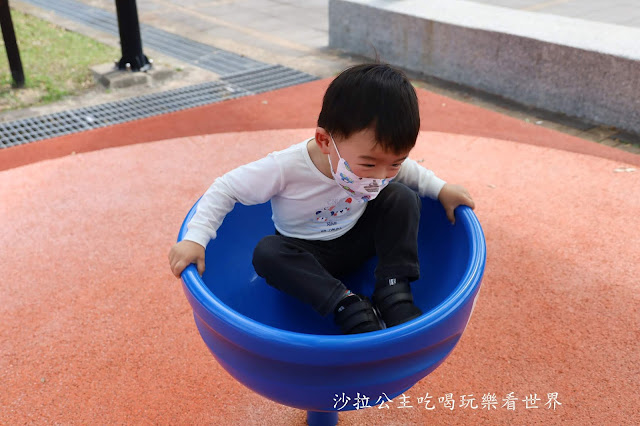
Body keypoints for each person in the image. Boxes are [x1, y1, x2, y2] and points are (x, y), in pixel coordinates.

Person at [168, 63, 475, 334]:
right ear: (325, 141)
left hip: (356, 237)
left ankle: (393, 289)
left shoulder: (381, 164)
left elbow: (407, 170)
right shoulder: (284, 167)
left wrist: (440, 188)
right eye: (368, 164)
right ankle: (347, 304)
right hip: (307, 255)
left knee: (401, 196)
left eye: (393, 162)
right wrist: (196, 238)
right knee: (267, 253)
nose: (380, 175)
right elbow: (226, 188)